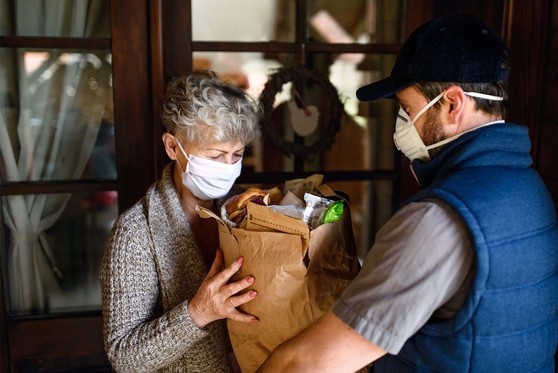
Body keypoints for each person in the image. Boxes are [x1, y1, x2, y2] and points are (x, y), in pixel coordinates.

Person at [257, 11, 558, 373]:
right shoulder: (530, 187)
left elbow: (308, 363)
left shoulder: (438, 218)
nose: (402, 125)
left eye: (406, 108)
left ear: (452, 104)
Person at [100, 71, 262, 372]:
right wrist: (198, 312)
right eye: (215, 156)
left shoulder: (249, 211)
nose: (228, 168)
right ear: (173, 147)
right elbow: (123, 356)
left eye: (236, 155)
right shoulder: (136, 233)